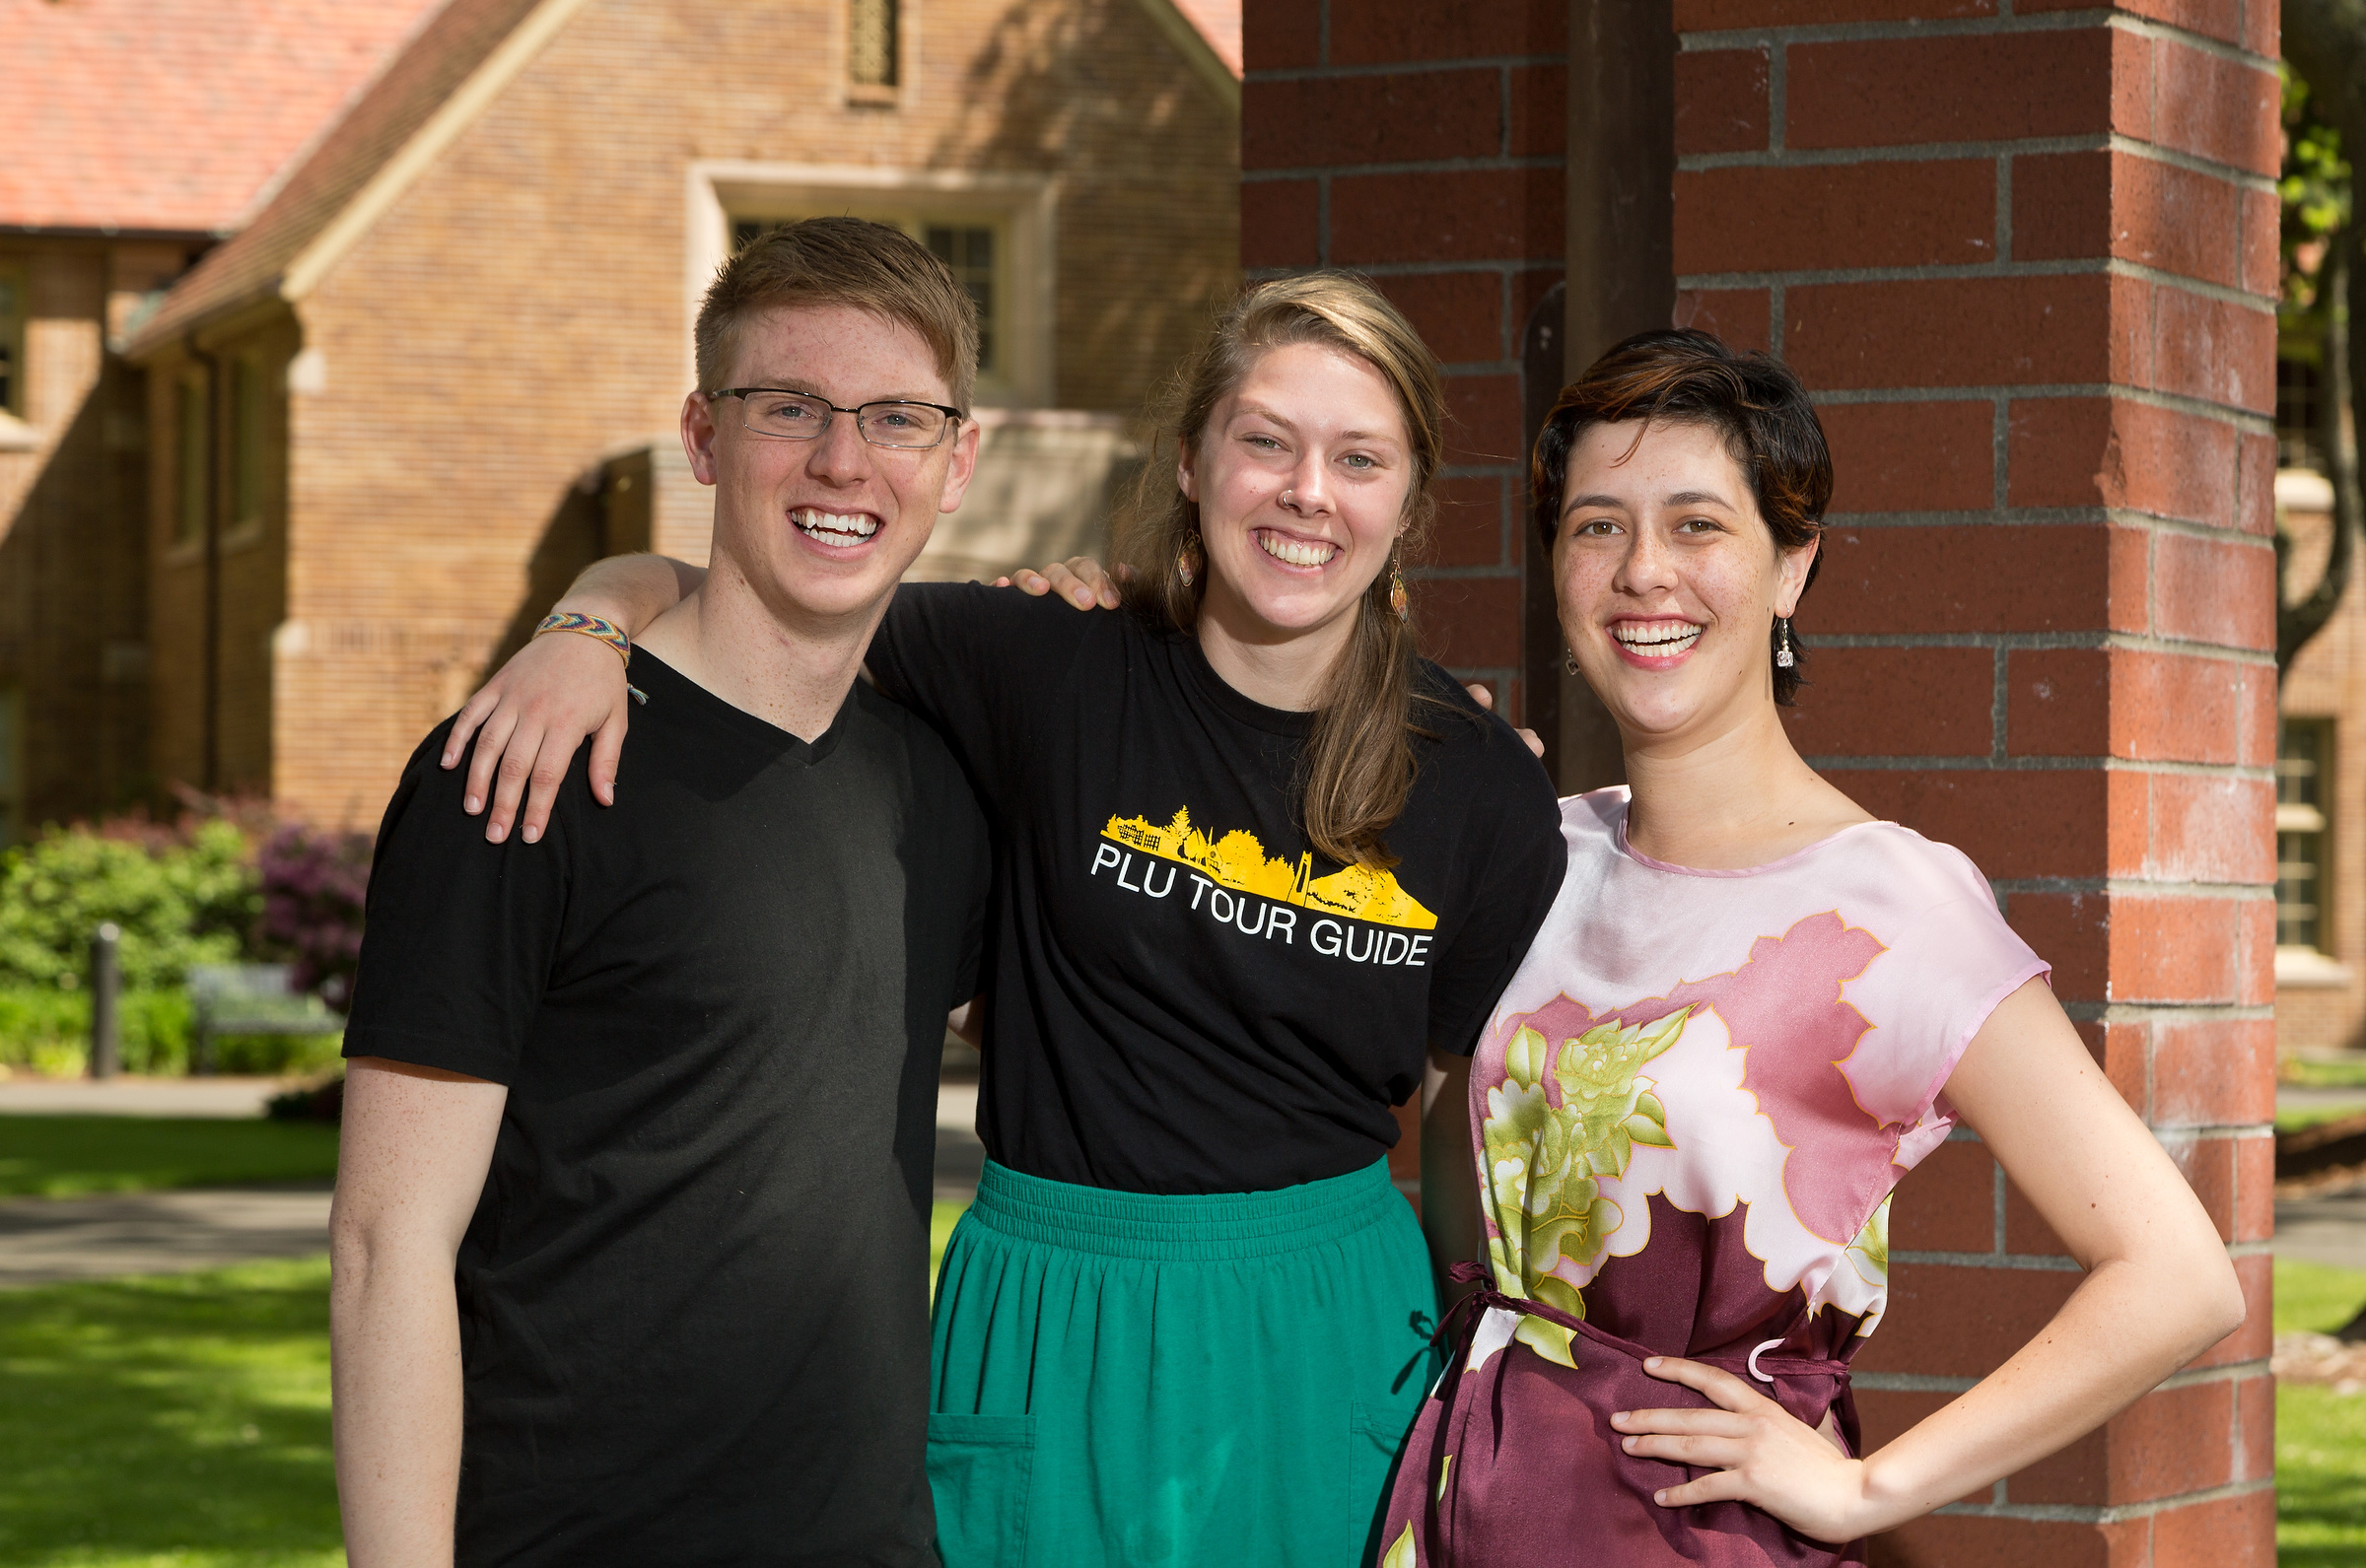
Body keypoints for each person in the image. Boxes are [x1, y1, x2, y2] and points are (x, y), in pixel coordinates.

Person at [441, 272, 1566, 1564]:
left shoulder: (1480, 780)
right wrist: (589, 621)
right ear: (1193, 459)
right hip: (1050, 1300)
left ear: (1410, 500)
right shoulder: (1040, 658)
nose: (1308, 490)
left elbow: (1465, 1119)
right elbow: (754, 595)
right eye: (1264, 439)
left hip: (1324, 1318)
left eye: (1358, 456)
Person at [1369, 331, 2247, 1565]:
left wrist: (1868, 1489)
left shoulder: (1888, 908)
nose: (1642, 572)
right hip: (1464, 1503)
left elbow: (2179, 1275)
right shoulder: (1531, 854)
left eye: (1696, 525)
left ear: (1793, 566)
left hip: (1693, 1537)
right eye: (1597, 527)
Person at [327, 218, 992, 1567]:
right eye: (787, 407)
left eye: (896, 418)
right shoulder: (526, 768)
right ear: (701, 436)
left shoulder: (945, 789)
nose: (842, 459)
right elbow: (386, 1244)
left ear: (958, 460)